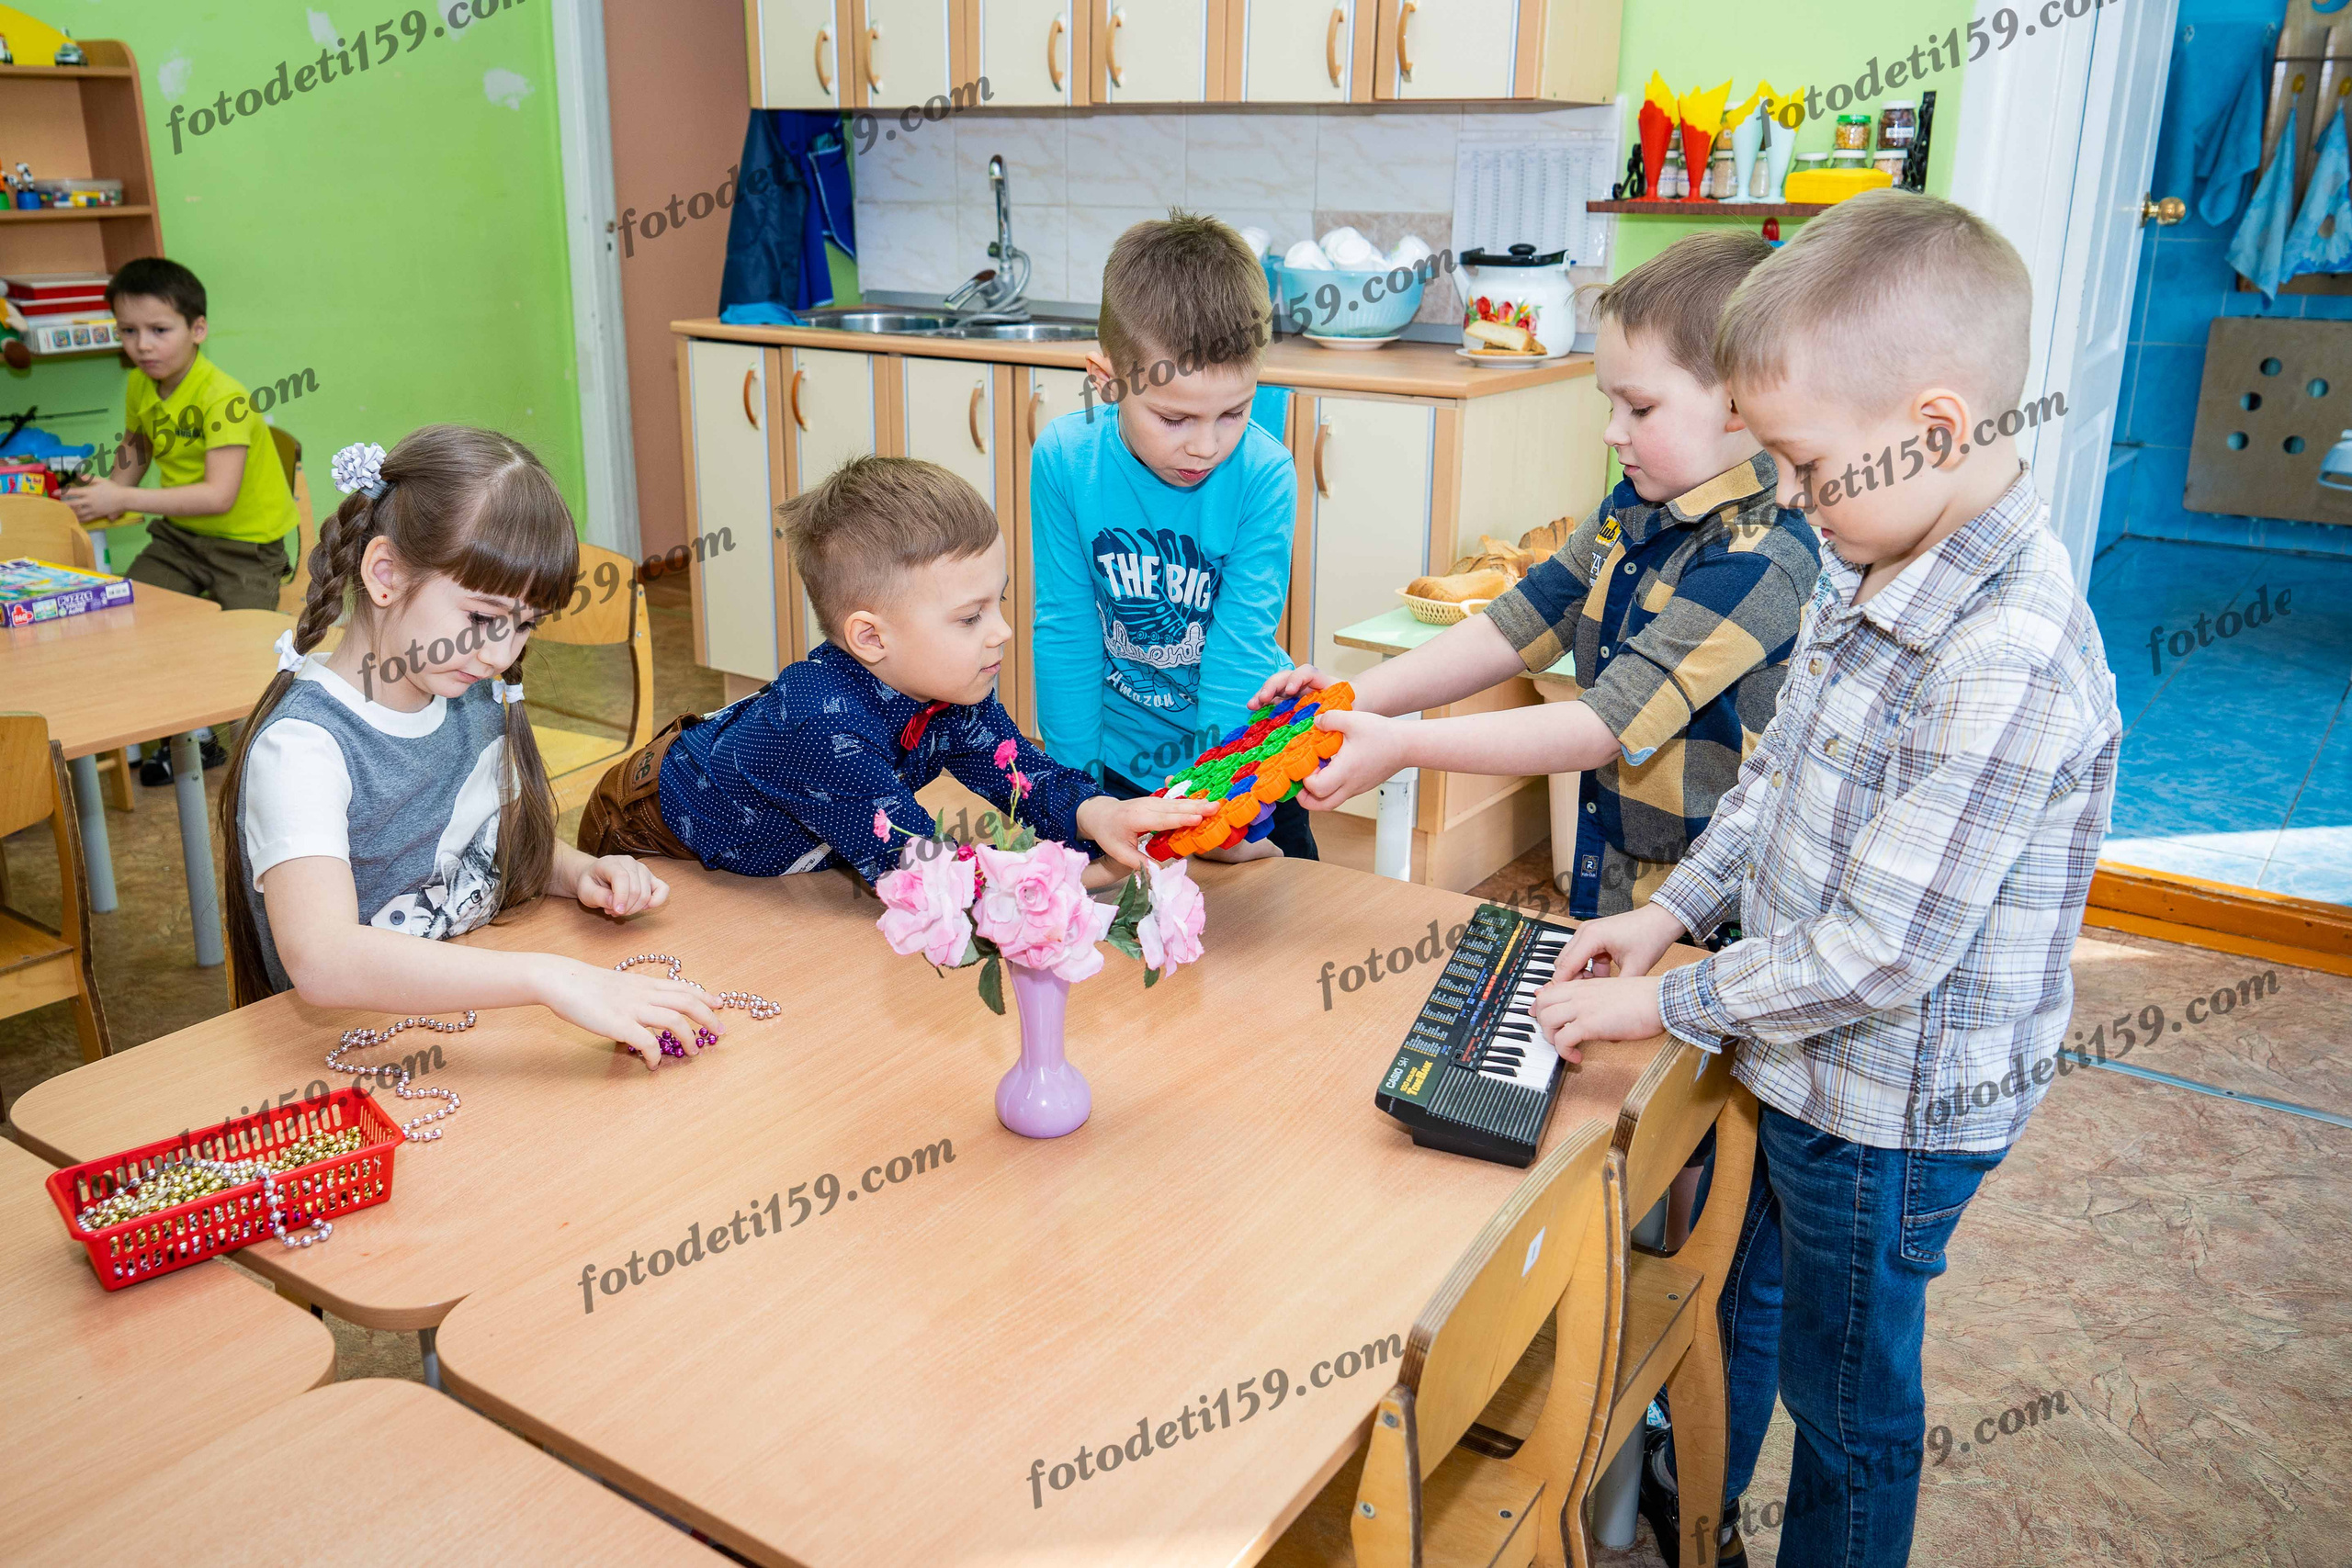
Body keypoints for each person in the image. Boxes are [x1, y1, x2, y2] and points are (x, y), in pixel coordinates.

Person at [1531, 190, 2122, 1567]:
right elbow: (1773, 785)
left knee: (1845, 1398)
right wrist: (1671, 912)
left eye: (1805, 464)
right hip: (1795, 1061)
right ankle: (1701, 1518)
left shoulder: (2007, 654)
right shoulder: (1877, 554)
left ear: (1931, 426)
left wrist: (1670, 1003)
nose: (1789, 496)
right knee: (1742, 1297)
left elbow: (1880, 953)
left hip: (1894, 1109)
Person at [1254, 231, 1818, 920]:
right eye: (1609, 404)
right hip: (1617, 868)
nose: (1613, 431)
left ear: (1740, 404)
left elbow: (1601, 725)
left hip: (1702, 910)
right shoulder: (1634, 507)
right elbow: (1521, 621)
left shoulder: (1757, 559)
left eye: (1639, 408)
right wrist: (1351, 698)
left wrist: (1403, 742)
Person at [220, 426, 720, 1070]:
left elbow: (483, 850)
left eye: (525, 625)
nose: (501, 653)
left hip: (464, 1029)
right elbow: (323, 960)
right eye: (482, 619)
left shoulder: (467, 691)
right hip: (351, 1057)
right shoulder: (303, 750)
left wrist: (570, 872)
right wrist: (547, 977)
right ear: (384, 574)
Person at [575, 454, 1216, 887]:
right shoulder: (822, 730)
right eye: (970, 617)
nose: (1003, 631)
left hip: (780, 836)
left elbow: (1026, 777)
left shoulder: (954, 695)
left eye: (1000, 600)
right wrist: (1066, 877)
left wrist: (1097, 814)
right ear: (870, 637)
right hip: (644, 830)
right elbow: (923, 872)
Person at [1028, 209, 1311, 863]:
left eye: (1234, 412)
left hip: (1241, 761)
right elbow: (1066, 632)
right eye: (1174, 417)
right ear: (1106, 380)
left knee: (1278, 928)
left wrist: (1213, 809)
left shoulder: (1265, 475)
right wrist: (1078, 799)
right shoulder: (1066, 461)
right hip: (1121, 768)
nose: (1206, 445)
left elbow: (1238, 651)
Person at [66, 257, 303, 782]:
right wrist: (107, 494)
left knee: (250, 659)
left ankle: (263, 762)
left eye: (159, 330)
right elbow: (138, 446)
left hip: (248, 546)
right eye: (128, 331)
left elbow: (219, 495)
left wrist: (125, 498)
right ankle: (190, 734)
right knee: (127, 619)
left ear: (198, 330)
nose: (142, 345)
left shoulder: (224, 397)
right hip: (180, 539)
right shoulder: (139, 385)